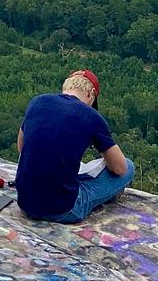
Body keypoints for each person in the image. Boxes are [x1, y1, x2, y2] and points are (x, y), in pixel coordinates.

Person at [13, 69, 132, 223]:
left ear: (66, 87)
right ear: (91, 93)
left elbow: (21, 147)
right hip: (63, 210)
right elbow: (120, 169)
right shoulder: (92, 116)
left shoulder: (37, 102)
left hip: (25, 203)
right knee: (129, 166)